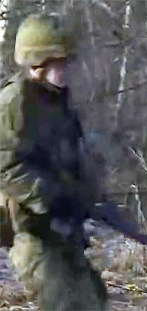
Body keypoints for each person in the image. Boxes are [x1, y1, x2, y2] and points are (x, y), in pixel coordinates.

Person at [0, 12, 109, 310]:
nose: (64, 70)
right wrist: (53, 196)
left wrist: (87, 191)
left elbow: (70, 157)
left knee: (95, 300)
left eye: (65, 62)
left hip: (62, 228)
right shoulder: (14, 103)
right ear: (37, 62)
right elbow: (6, 166)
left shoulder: (56, 103)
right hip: (32, 232)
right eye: (57, 62)